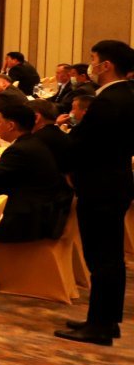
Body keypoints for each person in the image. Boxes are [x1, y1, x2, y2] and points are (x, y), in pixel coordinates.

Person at [59, 39, 134, 344]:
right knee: (110, 257)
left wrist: (63, 153)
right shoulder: (128, 94)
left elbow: (86, 144)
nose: (90, 65)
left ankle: (100, 325)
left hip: (100, 185)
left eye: (93, 59)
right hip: (114, 181)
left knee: (102, 258)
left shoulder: (109, 100)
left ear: (106, 65)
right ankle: (105, 319)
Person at [0, 103, 70, 244]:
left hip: (27, 217)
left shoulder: (20, 149)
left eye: (0, 122)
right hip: (40, 207)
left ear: (11, 126)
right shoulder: (31, 142)